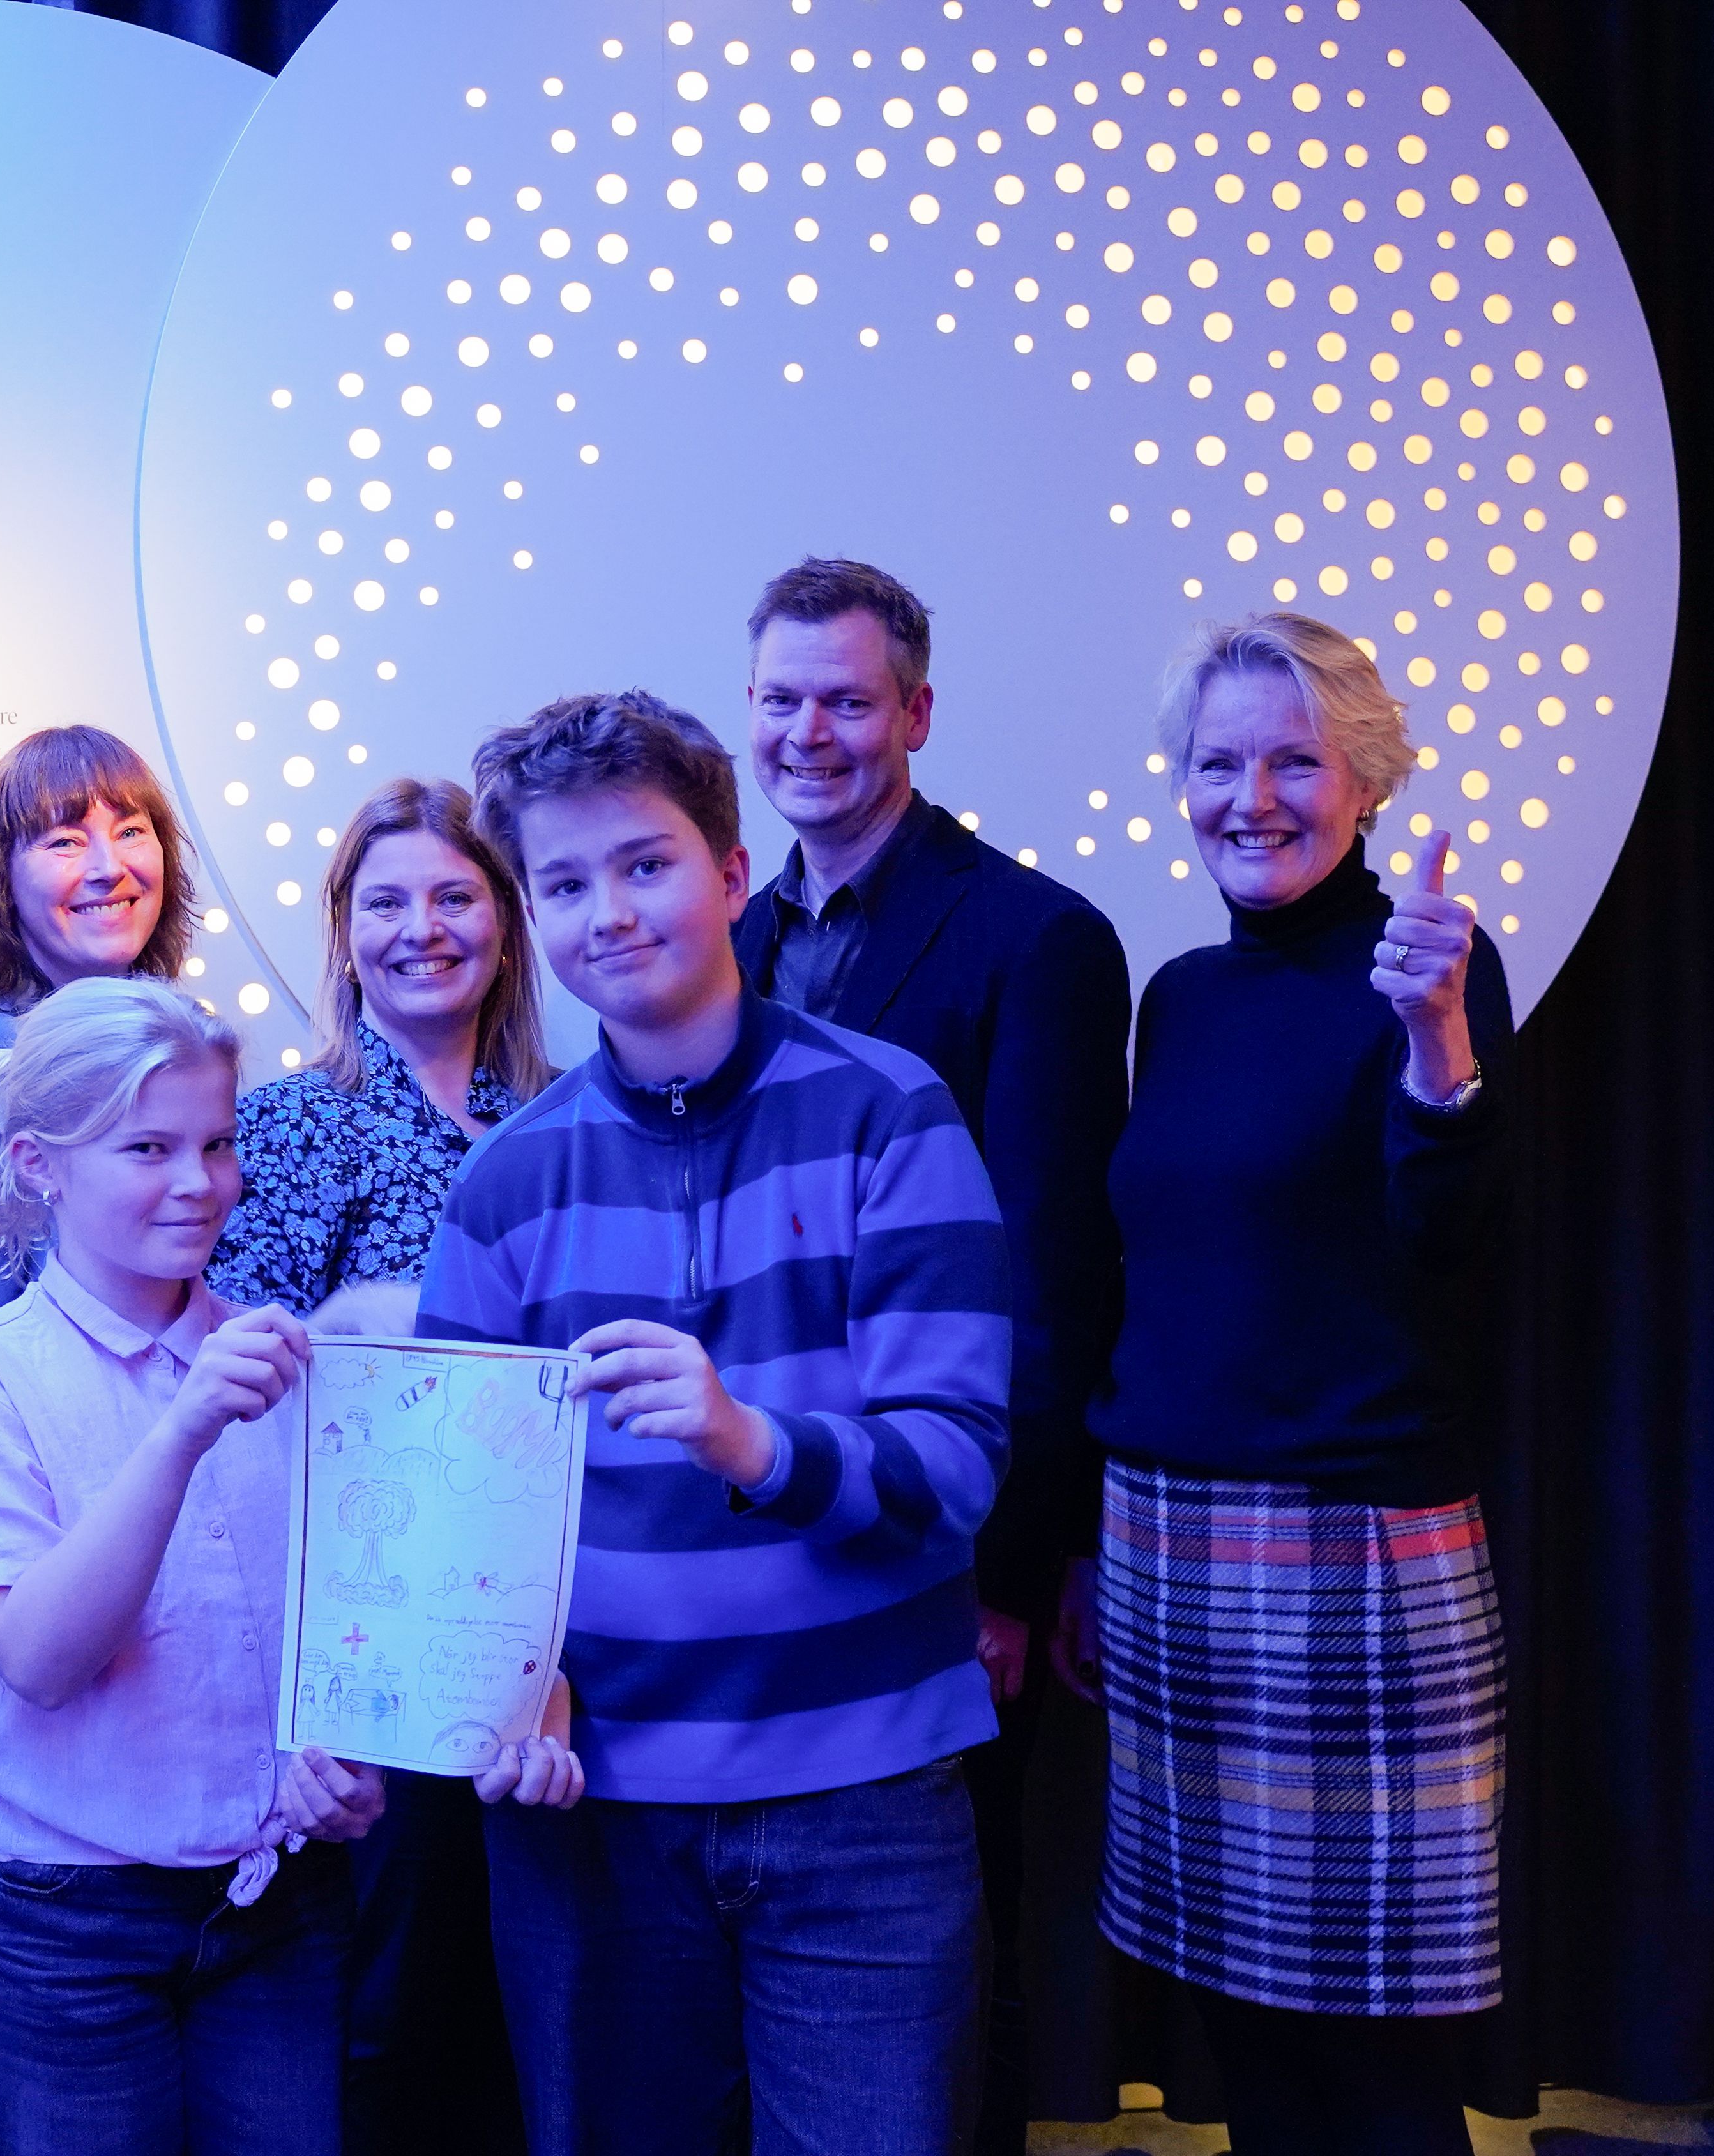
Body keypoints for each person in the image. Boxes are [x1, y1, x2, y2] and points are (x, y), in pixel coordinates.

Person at [420, 690, 1013, 2156]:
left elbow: (955, 1466)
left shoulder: (890, 1113)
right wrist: (511, 1683)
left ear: (732, 875)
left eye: (643, 864)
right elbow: (453, 1524)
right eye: (560, 884)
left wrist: (747, 1439)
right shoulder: (507, 1181)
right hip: (594, 1820)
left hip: (861, 1803)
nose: (605, 912)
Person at [0, 977, 582, 2156]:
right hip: (72, 1926)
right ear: (39, 1163)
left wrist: (367, 1763)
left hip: (280, 1907)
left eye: (216, 1144)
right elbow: (45, 1661)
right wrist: (181, 1428)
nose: (198, 1182)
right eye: (147, 1148)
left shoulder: (309, 1372)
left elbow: (364, 1634)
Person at [1052, 612, 1513, 2156]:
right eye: (1217, 761)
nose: (1251, 795)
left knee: (1372, 2057)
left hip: (1351, 1554)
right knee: (1241, 2024)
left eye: (1293, 761)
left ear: (1363, 780)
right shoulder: (1177, 995)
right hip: (1168, 1554)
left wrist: (1436, 1040)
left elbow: (1445, 1240)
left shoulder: (1424, 967)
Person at [731, 558, 1131, 2153]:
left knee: (935, 1976)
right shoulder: (734, 935)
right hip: (753, 1532)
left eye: (843, 698)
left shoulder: (1035, 937)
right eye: (778, 700)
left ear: (914, 711)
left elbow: (1047, 1277)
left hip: (941, 1541)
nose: (808, 732)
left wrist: (1006, 1573)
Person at [205, 778, 554, 2155]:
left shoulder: (574, 1117)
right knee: (395, 1997)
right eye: (385, 901)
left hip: (554, 1643)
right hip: (376, 1639)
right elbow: (243, 1394)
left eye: (454, 896)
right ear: (341, 933)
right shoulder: (294, 1129)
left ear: (507, 922)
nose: (422, 928)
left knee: (539, 1986)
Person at [0, 726, 198, 1742]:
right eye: (63, 840)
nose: (107, 865)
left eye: (131, 829)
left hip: (164, 1576)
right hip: (17, 1593)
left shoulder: (175, 1044)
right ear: (2, 883)